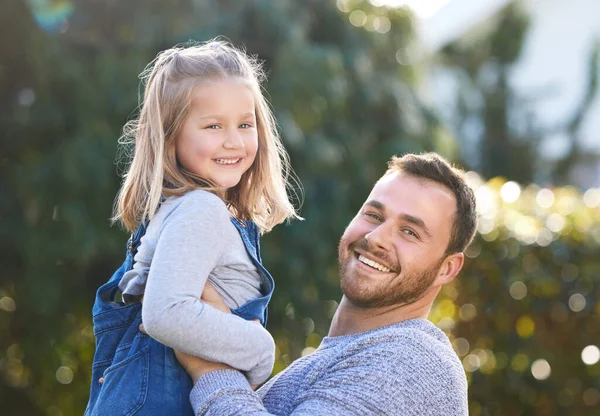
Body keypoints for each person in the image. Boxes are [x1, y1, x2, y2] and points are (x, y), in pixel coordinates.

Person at [85, 40, 300, 416]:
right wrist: (261, 349)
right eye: (213, 125)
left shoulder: (183, 210)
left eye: (244, 124)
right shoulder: (200, 210)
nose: (233, 140)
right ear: (171, 137)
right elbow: (165, 314)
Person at [174, 152, 478, 415]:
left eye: (410, 232)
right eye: (373, 215)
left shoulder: (410, 362)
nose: (376, 238)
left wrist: (210, 367)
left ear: (448, 268)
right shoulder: (351, 354)